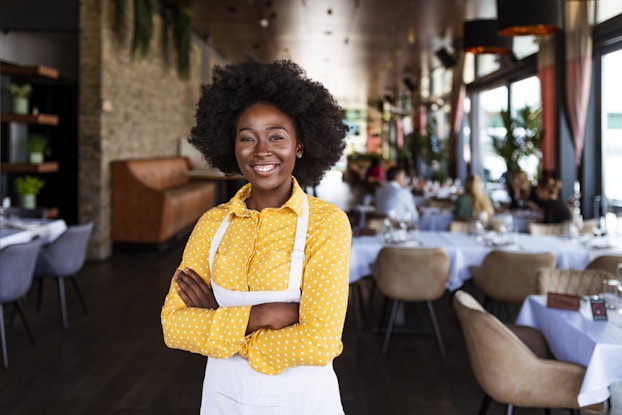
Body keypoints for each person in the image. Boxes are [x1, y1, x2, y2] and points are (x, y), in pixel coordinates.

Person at [161, 56, 351, 414]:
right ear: (232, 146)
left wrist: (222, 325)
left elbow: (320, 343)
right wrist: (259, 316)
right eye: (246, 137)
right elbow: (173, 326)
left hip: (304, 402)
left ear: (299, 144)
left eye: (276, 136)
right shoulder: (212, 224)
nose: (262, 151)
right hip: (222, 400)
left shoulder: (326, 223)